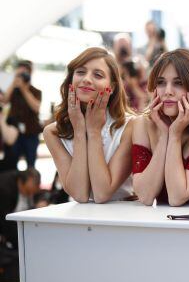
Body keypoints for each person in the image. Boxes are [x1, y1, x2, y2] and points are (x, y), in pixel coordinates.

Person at [131, 49, 189, 206]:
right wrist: (164, 135)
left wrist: (174, 135)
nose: (168, 92)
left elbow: (177, 197)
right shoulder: (143, 124)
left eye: (178, 83)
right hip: (160, 226)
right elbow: (145, 196)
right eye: (161, 83)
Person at [43, 47, 134, 203]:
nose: (86, 79)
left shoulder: (131, 126)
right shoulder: (52, 132)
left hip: (124, 217)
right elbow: (79, 194)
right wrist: (79, 131)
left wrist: (93, 132)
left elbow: (101, 193)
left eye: (98, 75)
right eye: (80, 72)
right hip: (82, 221)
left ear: (111, 87)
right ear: (71, 79)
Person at [2, 60, 42, 168]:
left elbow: (36, 108)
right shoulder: (13, 91)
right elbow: (4, 101)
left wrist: (24, 90)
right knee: (10, 162)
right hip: (14, 132)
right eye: (19, 73)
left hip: (31, 132)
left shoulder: (35, 91)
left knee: (31, 163)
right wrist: (13, 82)